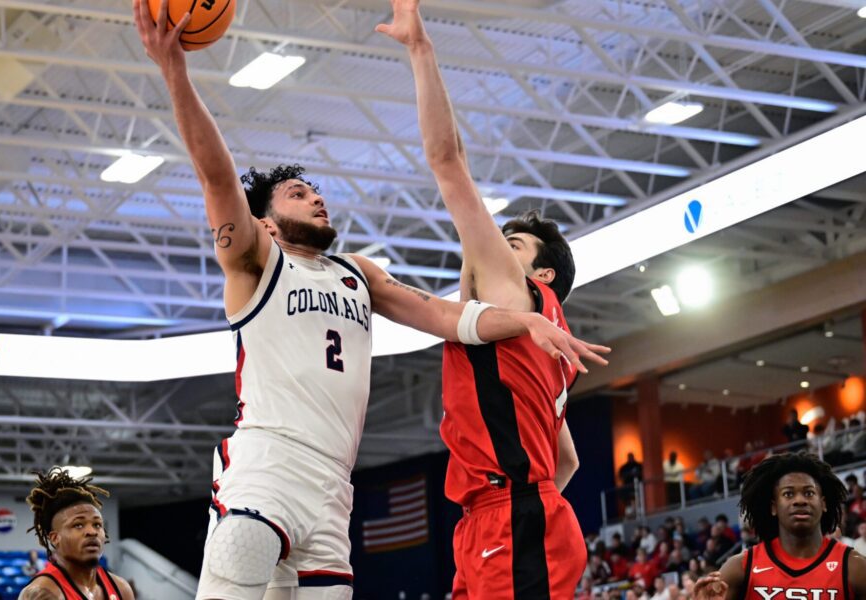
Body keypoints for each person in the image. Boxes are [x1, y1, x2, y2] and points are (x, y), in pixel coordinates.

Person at [133, 1, 610, 598]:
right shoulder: (257, 260)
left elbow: (441, 313)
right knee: (238, 555)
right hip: (269, 458)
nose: (317, 199)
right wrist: (174, 71)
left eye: (315, 190)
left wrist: (520, 320)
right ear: (266, 223)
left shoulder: (360, 273)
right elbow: (217, 177)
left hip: (338, 484)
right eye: (298, 193)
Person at [376, 1, 614, 597]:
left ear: (545, 276)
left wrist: (419, 51)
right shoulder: (541, 342)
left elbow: (447, 162)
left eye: (514, 245)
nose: (497, 252)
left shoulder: (522, 297)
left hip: (509, 516)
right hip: (504, 518)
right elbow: (568, 463)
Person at [694, 452, 866, 599]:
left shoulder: (854, 566)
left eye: (809, 493)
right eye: (788, 494)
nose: (800, 500)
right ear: (774, 506)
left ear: (823, 504)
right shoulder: (740, 568)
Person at [17, 468, 134, 600]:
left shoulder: (121, 588)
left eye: (97, 525)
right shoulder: (42, 593)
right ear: (55, 538)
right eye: (78, 525)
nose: (92, 532)